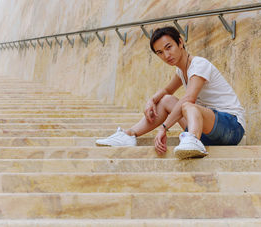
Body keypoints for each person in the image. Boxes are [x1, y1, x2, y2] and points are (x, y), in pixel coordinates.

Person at [96, 26, 245, 159]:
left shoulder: (199, 64)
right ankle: (129, 135)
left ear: (180, 42)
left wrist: (164, 128)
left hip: (231, 128)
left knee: (188, 105)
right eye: (160, 52)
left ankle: (192, 139)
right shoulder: (181, 70)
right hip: (205, 131)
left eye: (169, 47)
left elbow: (189, 98)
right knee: (167, 100)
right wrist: (151, 101)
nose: (166, 55)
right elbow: (167, 90)